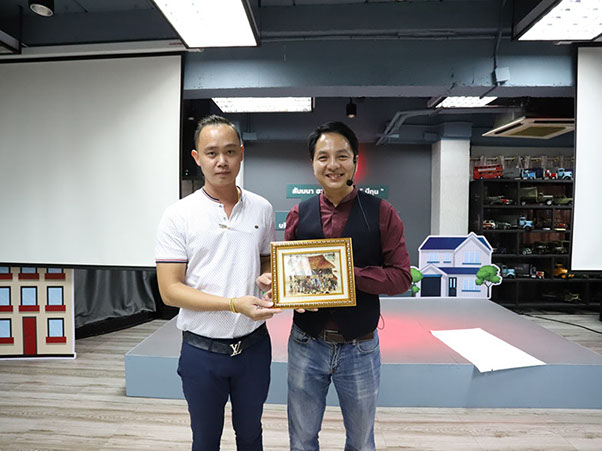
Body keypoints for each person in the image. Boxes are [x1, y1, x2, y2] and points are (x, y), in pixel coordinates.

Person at [155, 115, 281, 451]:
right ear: (197, 158)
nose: (221, 161)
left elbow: (265, 259)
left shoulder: (262, 208)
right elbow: (170, 291)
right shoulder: (177, 215)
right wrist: (232, 304)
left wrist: (268, 277)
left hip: (254, 349)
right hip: (202, 352)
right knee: (206, 440)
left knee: (251, 436)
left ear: (241, 154)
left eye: (229, 151)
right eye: (211, 153)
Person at [284, 121, 412, 450]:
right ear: (313, 163)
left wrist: (343, 274)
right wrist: (286, 289)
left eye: (342, 156)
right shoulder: (299, 213)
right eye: (323, 156)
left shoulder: (382, 212)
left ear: (355, 160)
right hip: (306, 342)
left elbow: (401, 277)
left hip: (360, 347)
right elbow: (290, 277)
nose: (333, 164)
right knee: (301, 439)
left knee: (361, 441)